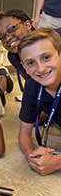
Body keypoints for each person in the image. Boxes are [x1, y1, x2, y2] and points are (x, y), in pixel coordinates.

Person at [18, 28, 61, 175]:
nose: (41, 69)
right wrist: (31, 155)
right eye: (31, 63)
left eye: (46, 57)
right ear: (24, 66)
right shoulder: (32, 87)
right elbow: (24, 134)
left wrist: (56, 162)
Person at [0, 9, 34, 98]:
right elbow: (29, 81)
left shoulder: (50, 44)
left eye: (11, 30)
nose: (7, 39)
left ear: (27, 25)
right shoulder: (13, 56)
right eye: (2, 37)